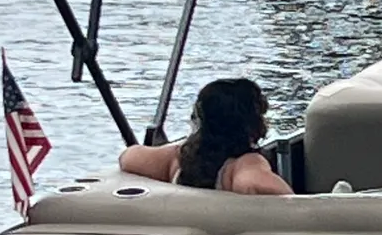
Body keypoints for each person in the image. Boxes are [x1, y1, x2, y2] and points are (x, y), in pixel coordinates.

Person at [119, 77, 292, 196]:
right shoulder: (246, 164)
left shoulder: (178, 158)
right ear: (252, 121)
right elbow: (254, 183)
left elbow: (129, 157)